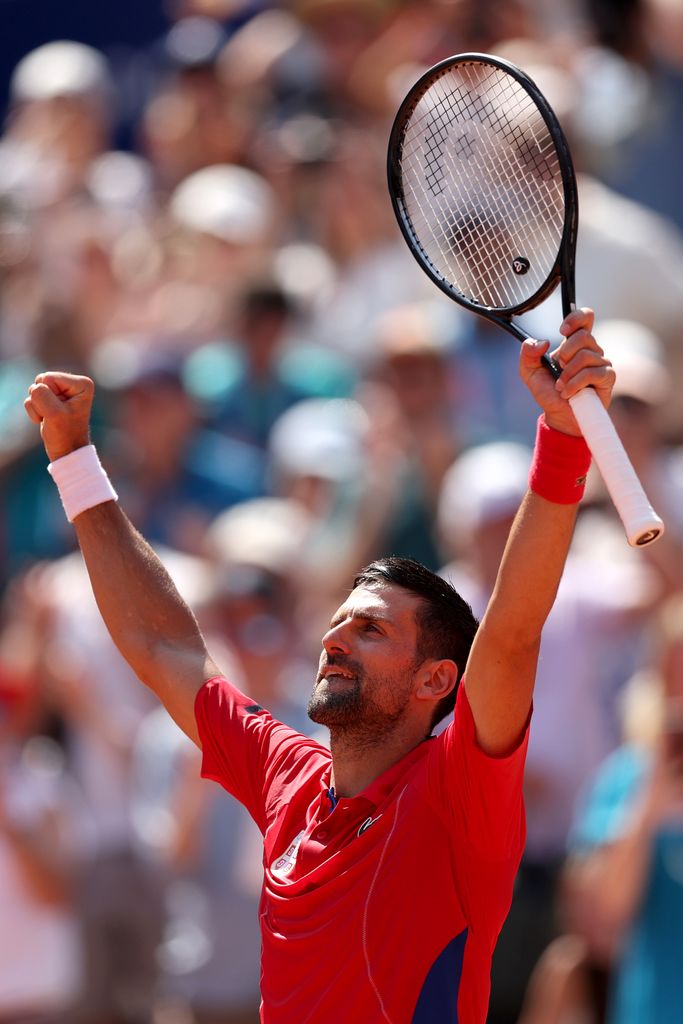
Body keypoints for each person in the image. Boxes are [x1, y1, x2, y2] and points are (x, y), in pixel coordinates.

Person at [23, 307, 615, 1023]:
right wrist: (75, 459)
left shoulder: (458, 793)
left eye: (369, 629)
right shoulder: (286, 777)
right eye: (336, 622)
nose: (335, 639)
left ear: (436, 680)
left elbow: (513, 634)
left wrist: (561, 439)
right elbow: (166, 647)